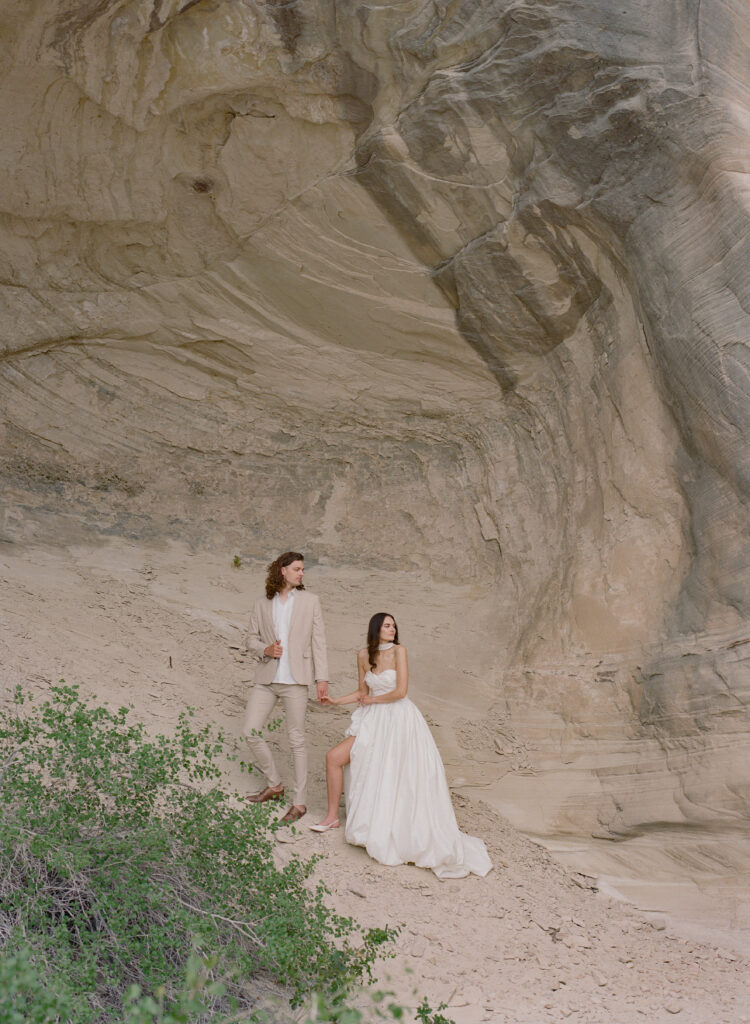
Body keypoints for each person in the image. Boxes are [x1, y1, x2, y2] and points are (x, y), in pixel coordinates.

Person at [312, 612, 492, 879]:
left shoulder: (399, 652)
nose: (392, 629)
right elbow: (362, 692)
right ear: (376, 628)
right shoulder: (363, 655)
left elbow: (400, 692)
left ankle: (393, 826)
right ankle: (331, 817)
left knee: (396, 774)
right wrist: (335, 701)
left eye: (394, 625)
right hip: (372, 721)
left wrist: (372, 701)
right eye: (387, 625)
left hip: (399, 719)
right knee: (334, 757)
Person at [242, 551, 329, 824]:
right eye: (297, 569)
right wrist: (265, 649)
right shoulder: (262, 603)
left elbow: (319, 642)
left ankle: (300, 803)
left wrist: (322, 678)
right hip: (267, 679)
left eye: (303, 569)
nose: (301, 573)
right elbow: (250, 638)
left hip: (296, 680)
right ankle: (275, 785)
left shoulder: (310, 601)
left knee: (297, 740)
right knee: (250, 731)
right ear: (282, 570)